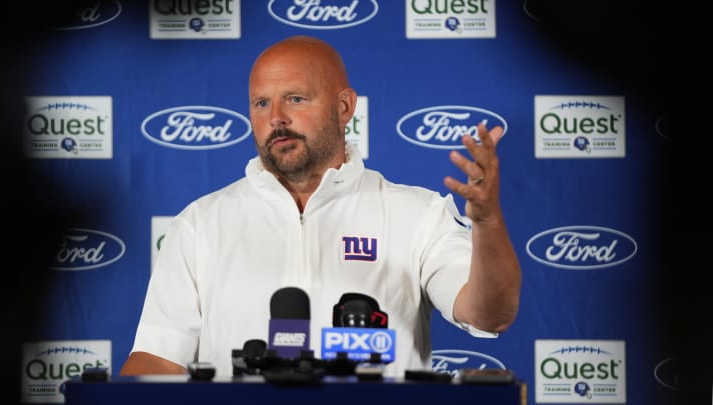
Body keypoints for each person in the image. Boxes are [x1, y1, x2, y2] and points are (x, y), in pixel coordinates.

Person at [120, 35, 522, 378]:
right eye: (261, 103)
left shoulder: (418, 213)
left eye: (295, 98)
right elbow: (158, 358)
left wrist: (487, 223)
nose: (276, 118)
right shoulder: (200, 223)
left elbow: (489, 314)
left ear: (345, 107)